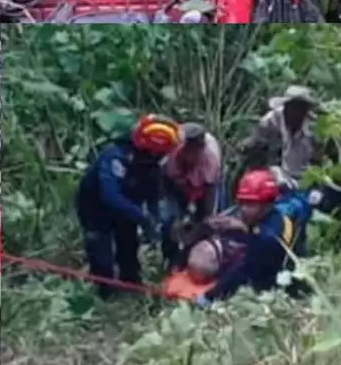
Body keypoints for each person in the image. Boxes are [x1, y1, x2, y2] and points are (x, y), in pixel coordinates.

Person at [76, 114, 178, 298]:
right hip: (95, 209)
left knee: (128, 248)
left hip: (128, 209)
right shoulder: (115, 158)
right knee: (102, 257)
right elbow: (111, 196)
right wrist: (143, 217)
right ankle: (104, 294)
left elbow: (153, 195)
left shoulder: (152, 166)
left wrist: (155, 221)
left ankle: (132, 288)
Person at [194, 168, 322, 306]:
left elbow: (241, 273)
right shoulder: (279, 214)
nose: (243, 209)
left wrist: (209, 297)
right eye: (242, 203)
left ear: (266, 204)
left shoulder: (266, 239)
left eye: (250, 204)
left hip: (284, 287)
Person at [161, 122, 223, 266]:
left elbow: (210, 192)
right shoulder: (169, 156)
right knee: (168, 221)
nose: (190, 155)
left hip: (205, 187)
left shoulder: (210, 162)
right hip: (175, 184)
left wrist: (207, 217)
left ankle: (195, 258)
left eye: (195, 151)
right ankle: (170, 259)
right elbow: (165, 185)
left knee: (207, 223)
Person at [241, 85, 319, 187]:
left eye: (300, 108)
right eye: (293, 107)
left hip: (305, 179)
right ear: (286, 106)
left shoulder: (313, 127)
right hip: (277, 175)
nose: (296, 112)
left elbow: (319, 157)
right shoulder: (273, 119)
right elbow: (257, 138)